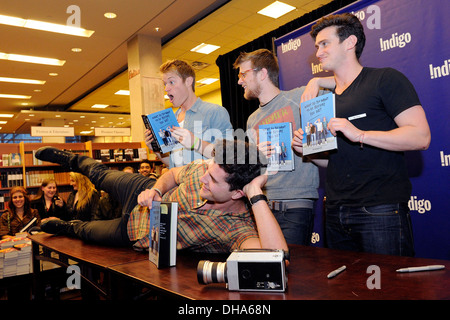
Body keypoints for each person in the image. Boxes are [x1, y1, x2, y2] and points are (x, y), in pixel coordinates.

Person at [292, 13, 431, 256]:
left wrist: (361, 135)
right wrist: (309, 153)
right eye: (316, 46)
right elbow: (334, 160)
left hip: (380, 210)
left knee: (389, 291)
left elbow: (421, 137)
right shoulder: (325, 100)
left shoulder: (385, 79)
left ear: (350, 43)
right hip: (335, 211)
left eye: (325, 43)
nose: (318, 52)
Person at [34, 140, 288, 253]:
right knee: (99, 174)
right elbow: (174, 174)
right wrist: (156, 189)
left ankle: (67, 226)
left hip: (136, 234)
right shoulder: (204, 169)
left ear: (238, 192)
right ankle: (71, 159)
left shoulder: (238, 229)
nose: (203, 178)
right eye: (207, 172)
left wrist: (256, 195)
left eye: (211, 180)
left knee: (87, 232)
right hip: (141, 191)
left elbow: (278, 259)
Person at [233, 49, 334, 245]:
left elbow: (348, 84)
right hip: (262, 205)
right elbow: (254, 172)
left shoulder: (300, 97)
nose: (239, 81)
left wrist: (317, 82)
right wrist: (255, 156)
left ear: (262, 74)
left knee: (290, 268)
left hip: (295, 206)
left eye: (243, 74)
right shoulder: (251, 119)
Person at [145, 59, 233, 168]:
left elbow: (228, 155)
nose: (166, 88)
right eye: (165, 84)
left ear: (188, 81)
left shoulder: (215, 112)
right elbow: (175, 165)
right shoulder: (172, 119)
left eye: (171, 82)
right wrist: (156, 150)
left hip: (204, 183)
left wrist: (195, 142)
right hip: (180, 184)